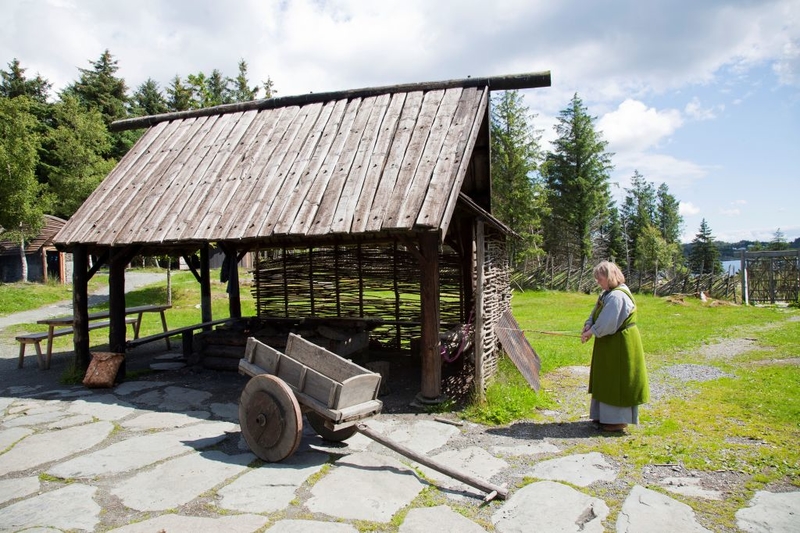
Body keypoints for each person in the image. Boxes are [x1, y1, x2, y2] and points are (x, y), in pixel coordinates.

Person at [580, 261, 649, 432]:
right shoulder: (606, 294)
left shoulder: (618, 296)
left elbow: (608, 321)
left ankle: (617, 421)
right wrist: (588, 325)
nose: (598, 282)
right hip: (609, 343)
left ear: (610, 277)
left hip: (620, 344)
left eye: (600, 278)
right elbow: (595, 313)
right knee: (606, 379)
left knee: (617, 380)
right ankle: (604, 417)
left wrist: (592, 331)